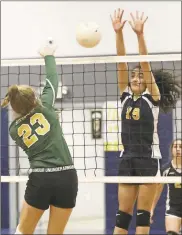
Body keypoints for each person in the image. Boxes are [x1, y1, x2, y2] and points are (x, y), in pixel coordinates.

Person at [110, 9, 181, 235]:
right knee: (123, 216)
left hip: (148, 159)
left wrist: (140, 35)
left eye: (140, 76)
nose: (135, 78)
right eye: (133, 76)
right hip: (127, 158)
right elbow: (122, 63)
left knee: (143, 216)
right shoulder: (124, 97)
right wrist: (118, 33)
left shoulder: (152, 99)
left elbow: (145, 64)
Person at [1, 41, 78, 235]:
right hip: (66, 177)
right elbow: (52, 79)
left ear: (15, 107)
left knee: (23, 231)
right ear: (35, 99)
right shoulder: (47, 109)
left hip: (41, 178)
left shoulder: (14, 130)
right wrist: (48, 54)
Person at [151, 139, 182, 235]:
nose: (178, 149)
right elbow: (157, 191)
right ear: (171, 149)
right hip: (173, 209)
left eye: (181, 147)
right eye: (175, 146)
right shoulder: (165, 169)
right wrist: (151, 209)